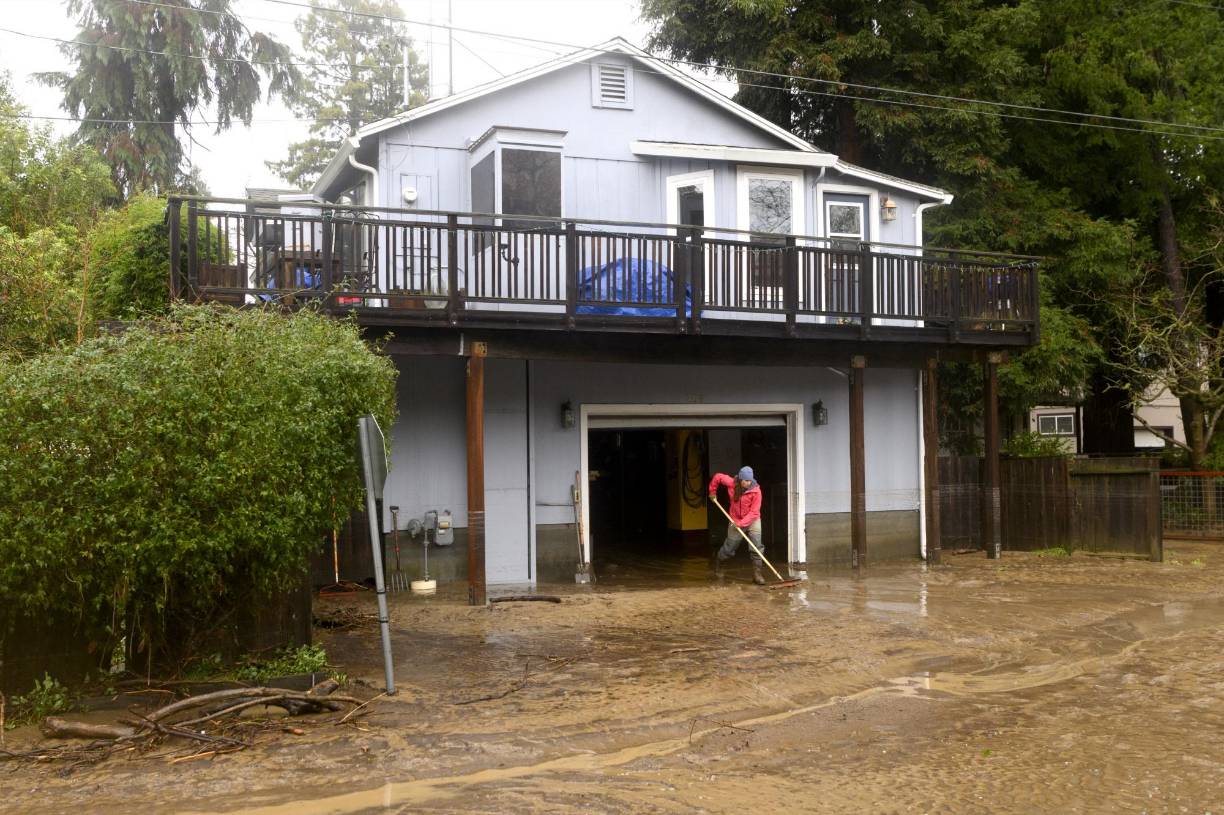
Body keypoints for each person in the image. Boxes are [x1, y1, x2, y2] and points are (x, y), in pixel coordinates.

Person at [708, 466, 765, 584]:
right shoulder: (731, 483)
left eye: (750, 480)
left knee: (756, 546)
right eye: (745, 481)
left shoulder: (756, 491)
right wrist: (712, 491)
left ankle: (757, 574)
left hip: (753, 519)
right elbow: (718, 476)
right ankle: (720, 566)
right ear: (740, 479)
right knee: (729, 547)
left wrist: (742, 523)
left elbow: (754, 512)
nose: (748, 483)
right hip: (735, 518)